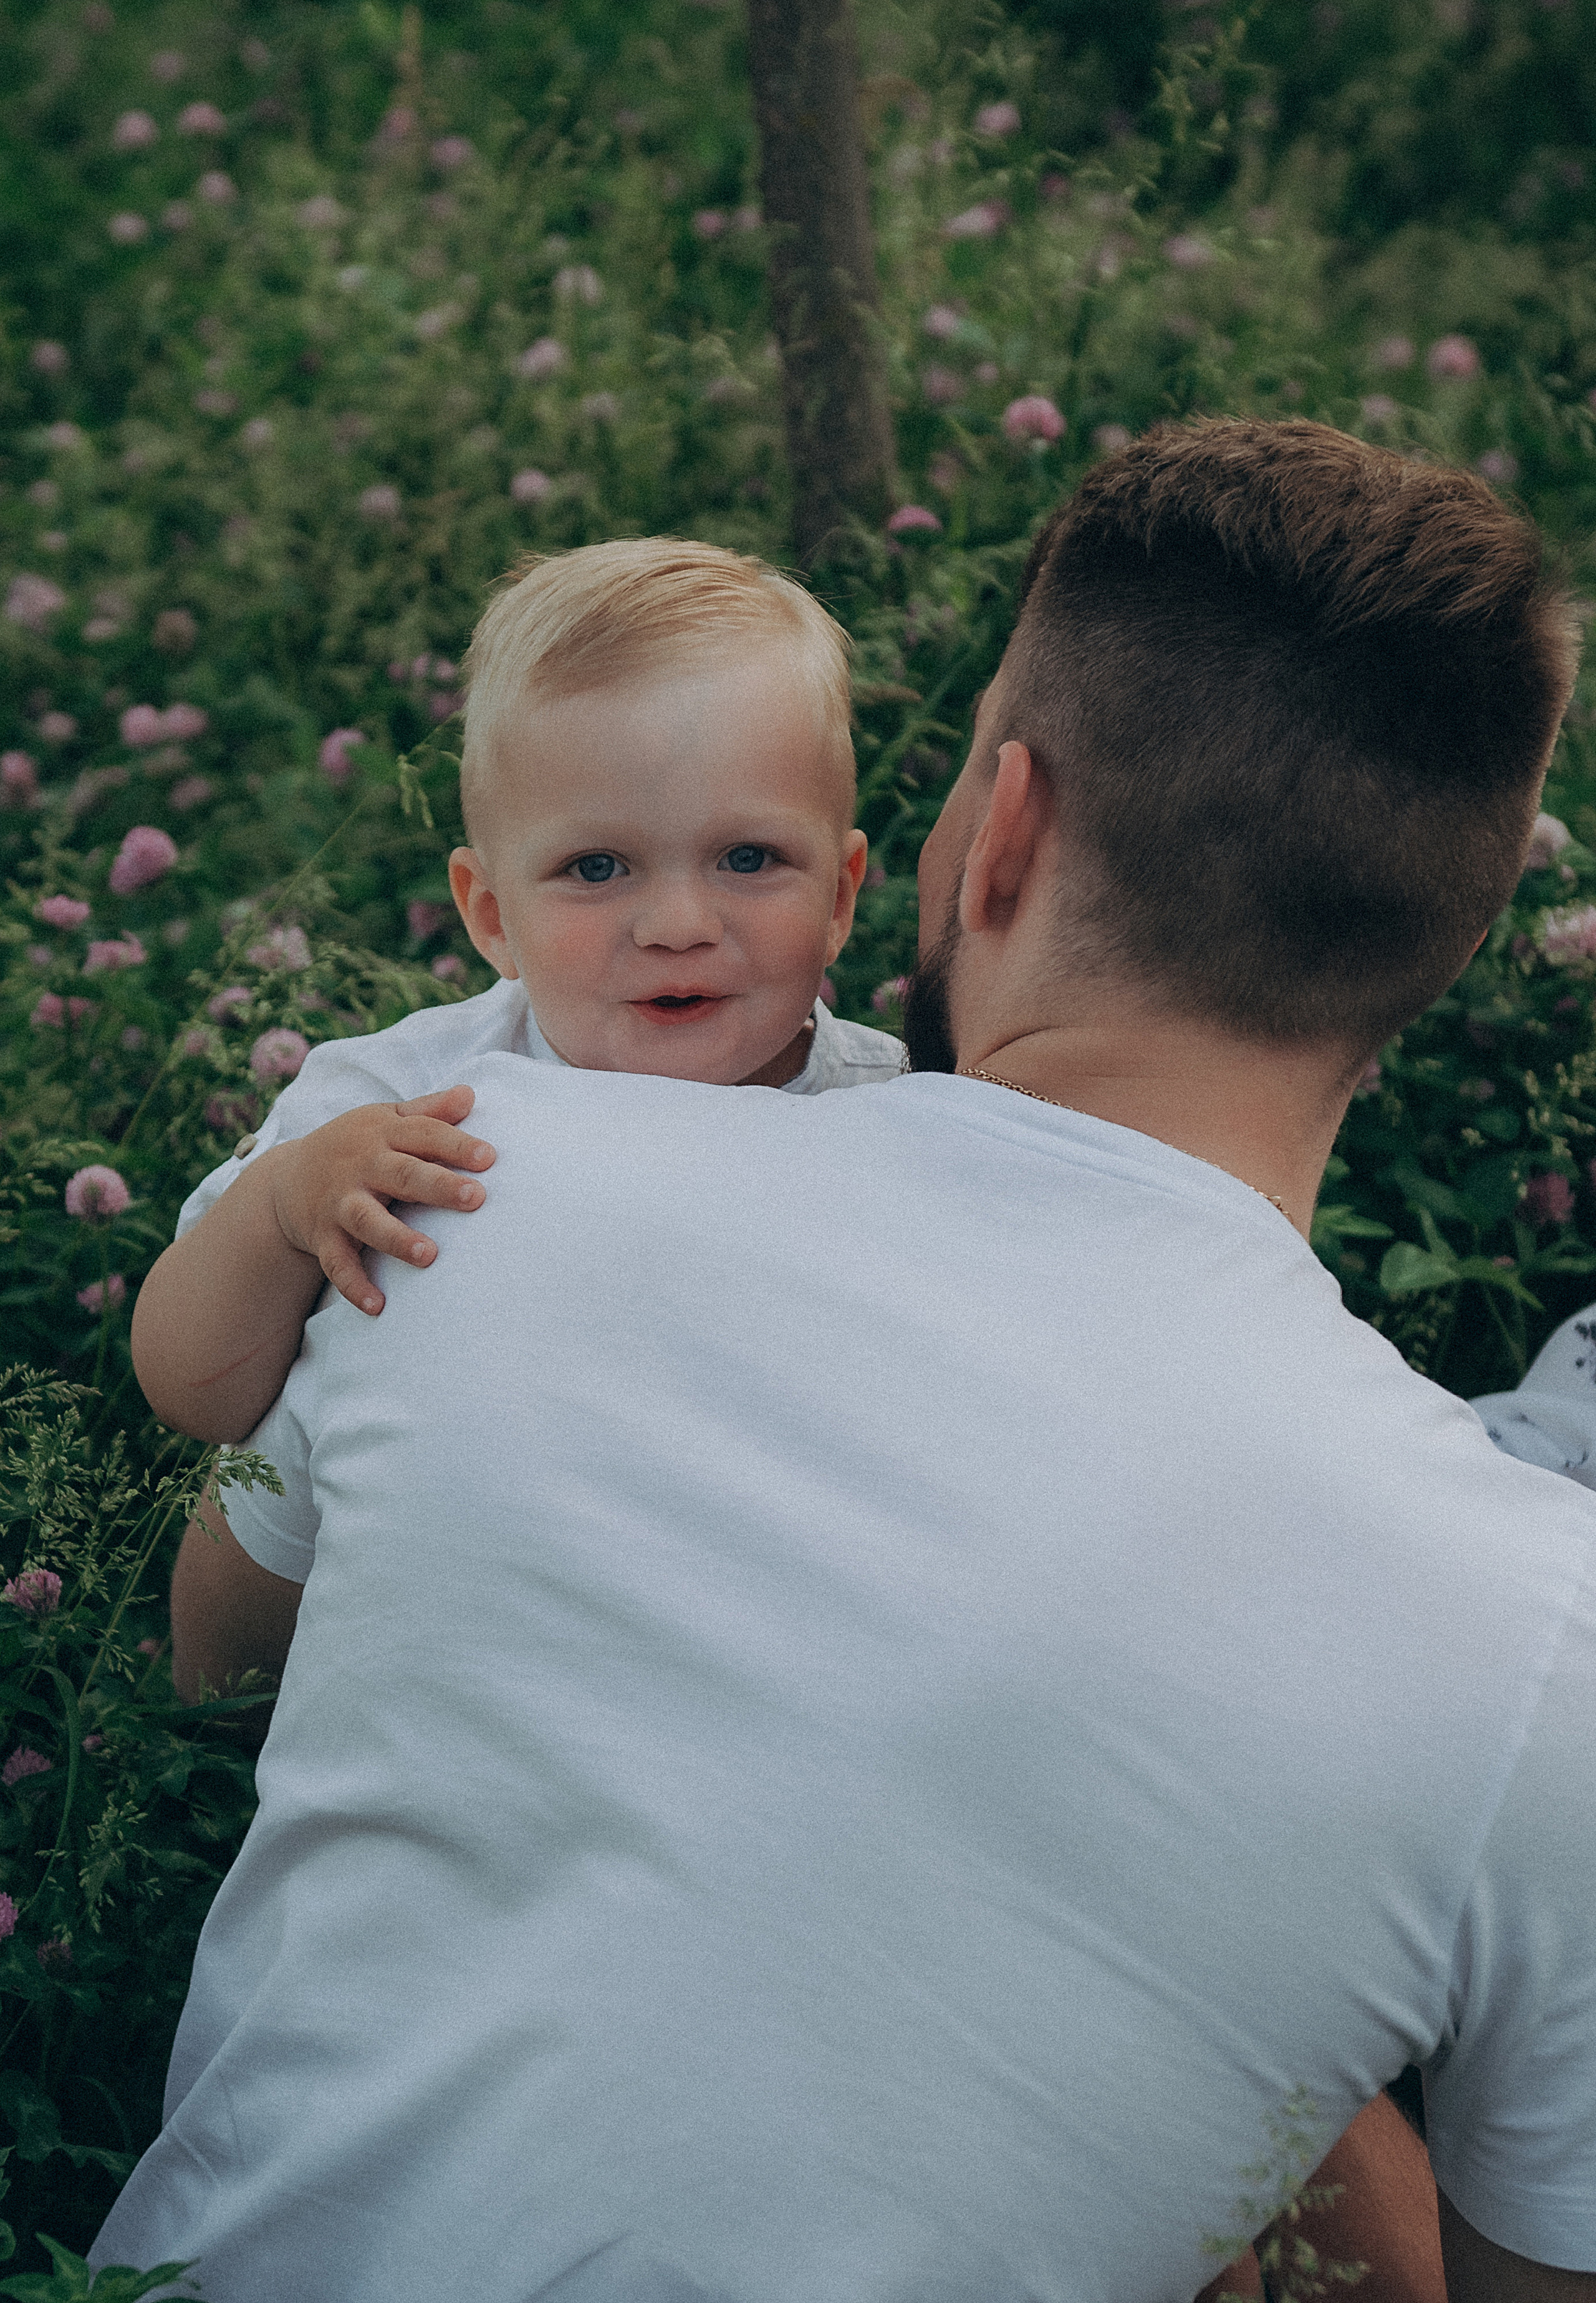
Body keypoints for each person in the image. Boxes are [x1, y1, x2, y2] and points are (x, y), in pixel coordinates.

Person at [97, 420, 1596, 2301]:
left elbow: (219, 1638)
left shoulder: (473, 1174)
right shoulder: (1546, 1642)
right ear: (1449, 944)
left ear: (1002, 831)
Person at [130, 539, 903, 1446]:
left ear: (841, 896)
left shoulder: (894, 1107)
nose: (679, 923)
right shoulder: (405, 1108)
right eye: (598, 866)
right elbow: (192, 1392)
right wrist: (284, 1207)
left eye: (748, 858)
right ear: (491, 916)